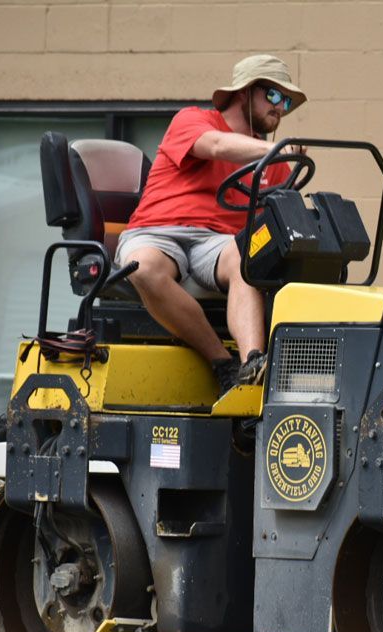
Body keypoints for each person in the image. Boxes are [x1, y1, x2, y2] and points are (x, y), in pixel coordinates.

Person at [115, 54, 308, 395]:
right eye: (275, 96)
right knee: (142, 267)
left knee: (249, 256)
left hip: (217, 244)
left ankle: (253, 364)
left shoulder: (273, 161)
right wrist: (275, 150)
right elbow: (217, 146)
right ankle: (222, 363)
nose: (281, 108)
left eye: (287, 101)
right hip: (158, 232)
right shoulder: (194, 120)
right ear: (245, 92)